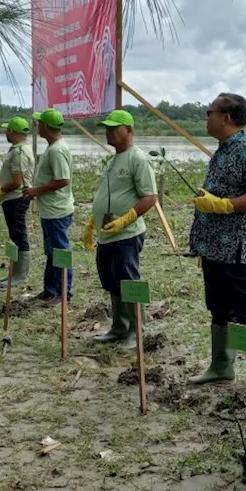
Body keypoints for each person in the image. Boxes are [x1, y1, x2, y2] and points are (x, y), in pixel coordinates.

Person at [186, 93, 246, 398]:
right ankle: (221, 365)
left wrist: (223, 205)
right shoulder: (222, 151)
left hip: (236, 245)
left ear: (225, 117)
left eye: (209, 112)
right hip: (213, 246)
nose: (206, 117)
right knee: (218, 306)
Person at [84, 109, 157, 343]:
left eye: (114, 128)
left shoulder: (138, 158)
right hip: (107, 234)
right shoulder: (113, 159)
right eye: (107, 128)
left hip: (126, 233)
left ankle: (136, 331)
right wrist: (92, 221)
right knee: (111, 281)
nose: (109, 132)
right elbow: (107, 194)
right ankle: (119, 326)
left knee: (128, 281)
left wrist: (126, 218)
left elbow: (150, 197)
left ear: (129, 130)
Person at [26, 108, 76, 306]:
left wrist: (37, 190)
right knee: (51, 252)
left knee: (60, 252)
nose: (37, 127)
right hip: (50, 211)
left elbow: (63, 180)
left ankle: (64, 293)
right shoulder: (53, 147)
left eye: (39, 124)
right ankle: (50, 290)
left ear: (45, 126)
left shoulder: (57, 150)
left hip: (57, 211)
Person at [0, 116, 34, 287]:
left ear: (12, 131)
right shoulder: (17, 149)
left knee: (19, 236)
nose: (5, 132)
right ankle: (14, 273)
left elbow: (17, 182)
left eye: (7, 129)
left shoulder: (20, 152)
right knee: (15, 235)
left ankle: (21, 276)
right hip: (12, 198)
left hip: (16, 199)